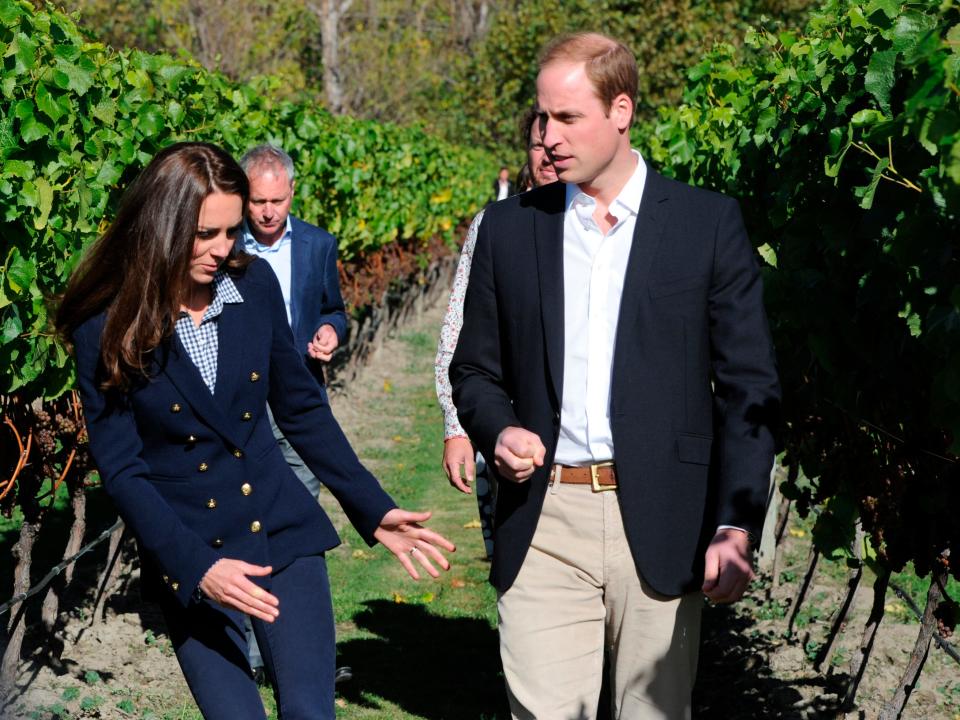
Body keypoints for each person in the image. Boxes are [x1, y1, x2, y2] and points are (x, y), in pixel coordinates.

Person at [57, 142, 455, 720]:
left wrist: (371, 507)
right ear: (163, 227)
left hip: (281, 528)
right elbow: (122, 471)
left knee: (311, 712)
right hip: (193, 552)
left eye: (231, 231)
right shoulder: (107, 326)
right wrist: (195, 567)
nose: (223, 250)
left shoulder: (254, 285)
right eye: (206, 234)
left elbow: (302, 410)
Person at [450, 33, 780, 719]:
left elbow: (750, 388)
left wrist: (736, 522)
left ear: (621, 110)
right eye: (542, 118)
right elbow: (475, 368)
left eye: (567, 118)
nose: (548, 136)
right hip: (544, 518)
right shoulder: (509, 231)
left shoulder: (704, 224)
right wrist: (498, 428)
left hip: (663, 513)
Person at [237, 144, 349, 677]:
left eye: (276, 201)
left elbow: (334, 308)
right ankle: (246, 650)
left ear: (292, 195)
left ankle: (284, 652)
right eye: (257, 201)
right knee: (243, 523)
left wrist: (331, 331)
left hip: (299, 401)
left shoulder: (318, 245)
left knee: (297, 519)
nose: (266, 212)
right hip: (239, 410)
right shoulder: (221, 246)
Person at [436, 106, 558, 559]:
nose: (547, 155)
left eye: (555, 145)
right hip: (502, 423)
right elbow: (456, 329)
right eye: (536, 146)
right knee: (511, 560)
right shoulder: (494, 225)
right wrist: (456, 426)